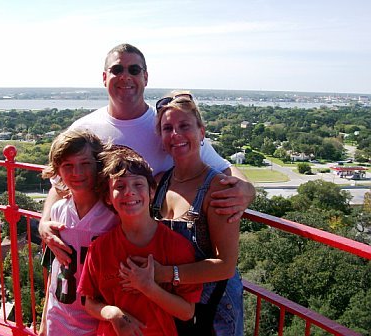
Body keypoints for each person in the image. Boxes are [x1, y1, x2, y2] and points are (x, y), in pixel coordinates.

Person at [39, 43, 255, 267]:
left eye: (134, 70)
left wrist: (247, 189)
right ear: (104, 77)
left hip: (149, 256)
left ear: (146, 77)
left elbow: (222, 166)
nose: (125, 77)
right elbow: (61, 184)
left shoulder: (168, 126)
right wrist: (45, 221)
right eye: (117, 70)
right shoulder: (84, 128)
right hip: (96, 251)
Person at [122, 91, 242, 335]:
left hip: (213, 308)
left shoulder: (218, 188)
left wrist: (163, 274)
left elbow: (225, 265)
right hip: (172, 304)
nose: (175, 135)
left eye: (184, 125)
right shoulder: (159, 183)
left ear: (201, 132)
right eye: (167, 129)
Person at [78, 145, 202, 335]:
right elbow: (89, 300)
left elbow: (187, 312)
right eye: (120, 186)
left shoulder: (176, 246)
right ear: (108, 197)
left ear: (152, 192)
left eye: (138, 184)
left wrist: (148, 287)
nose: (129, 192)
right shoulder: (100, 248)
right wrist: (113, 314)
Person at [39, 129, 120, 335]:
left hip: (97, 324)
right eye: (68, 166)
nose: (77, 173)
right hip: (58, 319)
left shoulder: (114, 216)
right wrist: (43, 323)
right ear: (57, 170)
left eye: (85, 164)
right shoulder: (57, 212)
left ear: (99, 165)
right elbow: (54, 272)